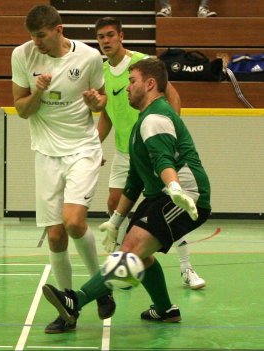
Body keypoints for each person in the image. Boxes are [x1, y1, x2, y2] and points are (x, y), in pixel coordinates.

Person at [42, 57, 211, 326]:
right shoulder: (140, 123)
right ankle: (166, 310)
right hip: (161, 195)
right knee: (140, 258)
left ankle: (75, 300)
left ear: (151, 84)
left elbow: (163, 160)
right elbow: (135, 179)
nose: (128, 87)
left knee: (131, 249)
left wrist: (175, 187)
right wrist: (115, 221)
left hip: (187, 195)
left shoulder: (155, 118)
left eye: (132, 82)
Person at [11, 4, 115, 334]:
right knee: (55, 235)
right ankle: (68, 305)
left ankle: (100, 286)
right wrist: (38, 91)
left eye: (41, 37)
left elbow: (101, 101)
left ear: (59, 29)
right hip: (46, 154)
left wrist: (97, 104)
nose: (36, 43)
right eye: (32, 37)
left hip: (82, 149)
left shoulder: (87, 58)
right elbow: (22, 111)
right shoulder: (22, 56)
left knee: (73, 221)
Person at [95, 17, 206, 290]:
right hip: (125, 150)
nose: (106, 41)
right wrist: (93, 147)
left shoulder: (143, 64)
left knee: (166, 206)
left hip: (152, 150)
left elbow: (173, 96)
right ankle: (131, 264)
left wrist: (170, 136)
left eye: (110, 35)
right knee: (114, 202)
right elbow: (107, 115)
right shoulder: (101, 72)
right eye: (100, 37)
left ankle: (186, 267)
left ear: (121, 36)